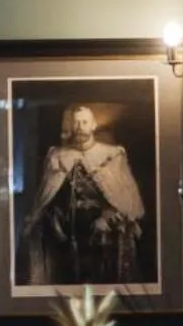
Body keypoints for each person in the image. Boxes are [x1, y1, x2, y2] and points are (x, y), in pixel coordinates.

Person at [18, 103, 147, 286]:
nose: (79, 128)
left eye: (84, 122)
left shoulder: (112, 155)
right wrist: (51, 218)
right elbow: (47, 197)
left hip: (102, 234)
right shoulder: (56, 156)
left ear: (93, 125)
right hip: (66, 234)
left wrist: (108, 218)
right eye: (76, 123)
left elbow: (127, 201)